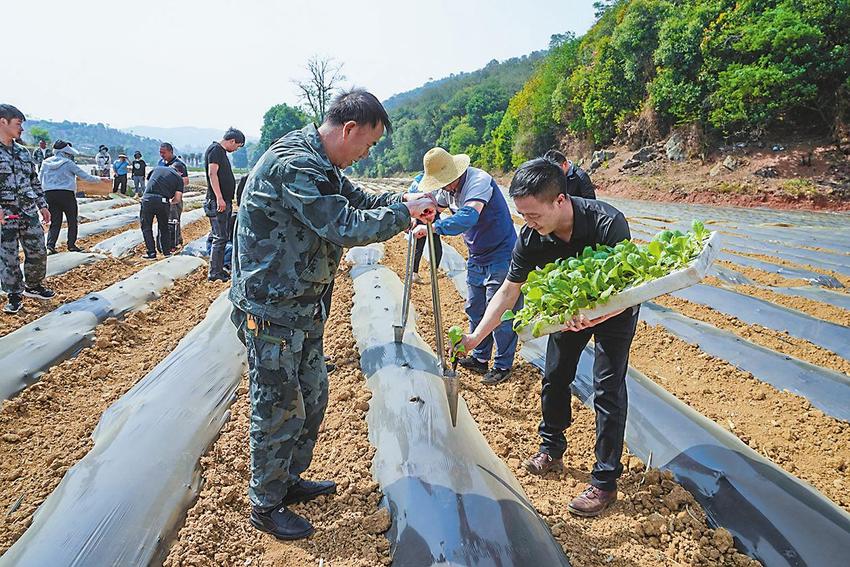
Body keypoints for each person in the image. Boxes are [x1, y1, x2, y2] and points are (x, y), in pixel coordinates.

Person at [230, 89, 435, 540]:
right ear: (349, 130)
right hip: (271, 310)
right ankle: (265, 503)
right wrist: (404, 214)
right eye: (368, 144)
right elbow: (343, 224)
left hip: (301, 306)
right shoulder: (296, 164)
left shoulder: (324, 164)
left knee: (313, 396)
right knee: (277, 407)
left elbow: (357, 200)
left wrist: (406, 202)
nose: (366, 155)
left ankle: (287, 480)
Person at [456, 157, 639, 517]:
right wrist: (477, 337)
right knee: (555, 377)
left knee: (607, 388)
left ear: (560, 200)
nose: (528, 222)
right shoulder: (531, 237)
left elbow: (628, 290)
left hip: (615, 310)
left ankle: (604, 482)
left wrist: (595, 315)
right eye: (522, 215)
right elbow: (508, 292)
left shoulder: (607, 223)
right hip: (570, 310)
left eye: (533, 214)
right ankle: (551, 448)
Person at [412, 147, 520, 385]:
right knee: (475, 307)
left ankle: (502, 364)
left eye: (444, 182)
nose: (442, 188)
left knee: (499, 311)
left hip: (501, 253)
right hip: (476, 255)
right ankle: (480, 357)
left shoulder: (479, 181)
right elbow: (430, 202)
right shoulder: (447, 190)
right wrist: (421, 210)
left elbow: (468, 217)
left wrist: (432, 228)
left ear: (455, 174)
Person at [0, 104, 55, 314]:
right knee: (8, 255)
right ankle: (13, 294)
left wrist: (42, 205)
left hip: (27, 210)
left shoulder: (23, 152)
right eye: (18, 123)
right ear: (2, 122)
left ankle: (34, 285)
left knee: (38, 250)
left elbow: (34, 180)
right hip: (5, 214)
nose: (21, 128)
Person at [39, 140, 111, 253]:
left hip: (50, 194)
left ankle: (50, 246)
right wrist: (100, 179)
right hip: (66, 194)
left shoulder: (45, 162)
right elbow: (85, 176)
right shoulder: (68, 163)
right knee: (72, 220)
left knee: (55, 221)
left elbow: (39, 179)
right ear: (66, 152)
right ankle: (71, 245)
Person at [204, 127, 245, 281]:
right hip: (217, 202)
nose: (235, 150)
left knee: (221, 237)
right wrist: (219, 197)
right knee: (220, 238)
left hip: (221, 201)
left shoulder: (220, 152)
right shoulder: (216, 150)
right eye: (237, 146)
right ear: (232, 141)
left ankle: (218, 269)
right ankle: (214, 273)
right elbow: (212, 173)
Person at [139, 165, 184, 259]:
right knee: (164, 227)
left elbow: (149, 181)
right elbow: (178, 198)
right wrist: (170, 202)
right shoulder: (179, 178)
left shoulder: (157, 168)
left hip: (147, 199)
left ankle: (151, 253)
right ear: (179, 172)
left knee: (146, 227)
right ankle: (166, 252)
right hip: (163, 201)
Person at [407, 172, 442, 283]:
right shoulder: (434, 182)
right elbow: (439, 200)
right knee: (436, 244)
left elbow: (409, 199)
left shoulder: (415, 183)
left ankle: (414, 273)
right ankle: (434, 271)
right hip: (432, 214)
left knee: (419, 246)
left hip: (419, 214)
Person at [157, 142, 189, 252]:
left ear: (170, 152)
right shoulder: (160, 163)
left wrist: (173, 188)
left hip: (174, 197)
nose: (161, 155)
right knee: (163, 221)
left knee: (173, 220)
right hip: (162, 197)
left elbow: (185, 181)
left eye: (164, 153)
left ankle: (174, 243)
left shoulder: (178, 164)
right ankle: (167, 242)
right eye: (160, 152)